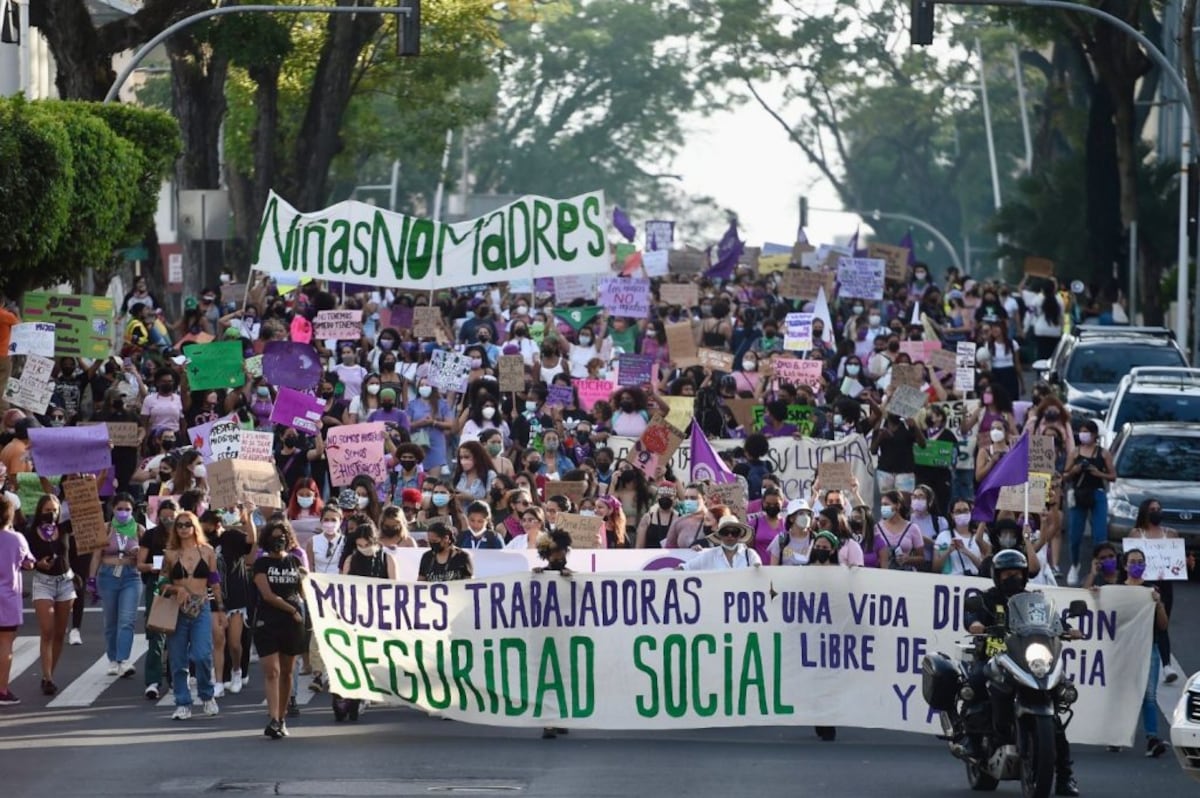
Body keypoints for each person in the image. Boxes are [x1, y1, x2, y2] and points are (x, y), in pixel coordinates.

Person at [963, 550, 1079, 797]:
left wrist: (1068, 630)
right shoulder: (986, 599)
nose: (1012, 577)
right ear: (997, 575)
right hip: (994, 656)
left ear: (1025, 575)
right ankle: (971, 742)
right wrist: (975, 624)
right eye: (1007, 573)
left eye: (1017, 573)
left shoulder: (1035, 600)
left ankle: (1065, 778)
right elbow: (972, 617)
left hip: (1028, 660)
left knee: (1057, 713)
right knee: (974, 683)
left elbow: (1053, 622)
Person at [1091, 546, 1170, 757]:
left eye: (1140, 562)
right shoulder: (1116, 590)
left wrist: (1158, 604)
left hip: (1148, 648)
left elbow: (1163, 626)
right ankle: (1115, 736)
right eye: (1133, 562)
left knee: (1149, 695)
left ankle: (1152, 738)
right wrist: (1098, 597)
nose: (1137, 566)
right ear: (1125, 566)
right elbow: (1105, 618)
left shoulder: (1151, 591)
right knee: (1119, 692)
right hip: (1122, 648)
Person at [160, 510, 222, 720]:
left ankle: (207, 695)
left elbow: (214, 582)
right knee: (178, 661)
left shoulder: (207, 551)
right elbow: (160, 584)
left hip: (202, 606)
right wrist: (176, 589)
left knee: (202, 654)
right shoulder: (169, 554)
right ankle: (183, 702)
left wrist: (220, 608)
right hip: (177, 609)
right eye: (180, 525)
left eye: (188, 524)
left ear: (195, 527)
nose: (184, 528)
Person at [252, 519, 310, 739]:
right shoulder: (262, 564)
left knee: (287, 672)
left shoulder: (295, 562)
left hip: (293, 623)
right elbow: (267, 595)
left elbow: (302, 592)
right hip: (268, 620)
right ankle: (273, 717)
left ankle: (282, 718)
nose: (279, 540)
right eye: (275, 537)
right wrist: (291, 610)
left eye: (283, 536)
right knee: (272, 671)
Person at [24, 494, 75, 696]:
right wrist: (37, 563)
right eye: (47, 511)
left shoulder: (64, 528)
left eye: (54, 510)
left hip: (65, 581)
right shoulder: (31, 532)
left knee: (60, 633)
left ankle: (49, 676)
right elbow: (25, 559)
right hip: (43, 582)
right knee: (47, 630)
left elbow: (87, 515)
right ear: (40, 512)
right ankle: (47, 676)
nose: (51, 514)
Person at [1127, 498, 1180, 683]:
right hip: (1142, 583)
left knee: (1161, 623)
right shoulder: (1136, 533)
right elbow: (1130, 558)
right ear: (1145, 512)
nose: (1157, 511)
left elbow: (1176, 562)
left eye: (1159, 508)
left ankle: (1166, 666)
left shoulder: (1171, 534)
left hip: (1164, 585)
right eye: (1152, 509)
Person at [89, 492, 143, 678]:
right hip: (108, 576)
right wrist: (91, 579)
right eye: (119, 509)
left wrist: (139, 554)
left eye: (127, 509)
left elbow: (147, 555)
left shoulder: (139, 530)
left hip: (131, 577)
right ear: (113, 509)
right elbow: (97, 555)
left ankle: (124, 659)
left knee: (127, 620)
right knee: (111, 621)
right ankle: (112, 659)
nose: (123, 512)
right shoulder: (105, 529)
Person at [532, 530, 574, 739]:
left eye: (563, 552)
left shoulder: (572, 576)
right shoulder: (538, 576)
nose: (560, 557)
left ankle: (561, 718)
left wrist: (571, 579)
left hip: (566, 636)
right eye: (556, 553)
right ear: (547, 555)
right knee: (547, 677)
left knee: (565, 677)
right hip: (544, 636)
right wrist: (535, 578)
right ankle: (549, 721)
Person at [1063, 419, 1114, 587]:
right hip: (1079, 493)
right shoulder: (1075, 452)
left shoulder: (1103, 453)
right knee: (1075, 535)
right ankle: (1075, 564)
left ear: (1094, 435)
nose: (1083, 435)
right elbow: (1065, 475)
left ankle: (1102, 568)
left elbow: (1113, 476)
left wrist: (1098, 473)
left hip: (1097, 493)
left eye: (1087, 432)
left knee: (1100, 534)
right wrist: (1075, 470)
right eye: (1081, 431)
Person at [137, 498, 175, 700]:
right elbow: (140, 564)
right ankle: (153, 681)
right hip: (157, 586)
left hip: (179, 587)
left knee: (178, 635)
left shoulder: (183, 535)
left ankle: (175, 677)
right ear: (158, 516)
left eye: (172, 517)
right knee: (156, 633)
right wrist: (153, 567)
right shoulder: (151, 536)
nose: (168, 520)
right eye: (164, 517)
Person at [0, 495, 34, 704]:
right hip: (8, 599)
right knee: (5, 645)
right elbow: (29, 563)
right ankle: (2, 689)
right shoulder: (16, 539)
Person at [680, 516, 762, 570]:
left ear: (740, 535)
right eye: (725, 532)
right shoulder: (710, 555)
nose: (730, 536)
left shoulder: (750, 554)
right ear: (719, 534)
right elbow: (685, 568)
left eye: (734, 532)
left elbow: (760, 573)